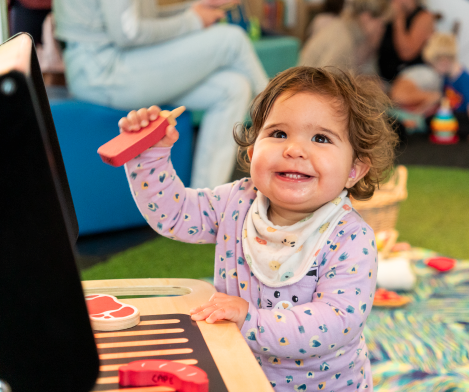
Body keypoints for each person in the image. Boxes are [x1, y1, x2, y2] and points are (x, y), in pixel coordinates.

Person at [118, 66, 398, 391]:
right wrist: (149, 154)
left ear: (354, 169)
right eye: (278, 134)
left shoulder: (350, 238)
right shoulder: (237, 201)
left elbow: (336, 322)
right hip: (239, 374)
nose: (294, 149)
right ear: (252, 152)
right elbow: (176, 214)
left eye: (321, 138)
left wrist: (250, 319)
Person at [53, 0, 268, 189]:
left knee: (233, 87)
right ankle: (280, 120)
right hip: (104, 73)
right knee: (231, 39)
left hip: (115, 67)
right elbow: (128, 33)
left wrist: (193, 9)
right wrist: (193, 20)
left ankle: (206, 206)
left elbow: (139, 19)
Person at [423, 32, 469, 143]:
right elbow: (440, 99)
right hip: (454, 114)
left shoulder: (466, 79)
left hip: (467, 118)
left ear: (444, 61)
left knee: (438, 123)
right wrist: (419, 113)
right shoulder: (446, 78)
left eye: (434, 65)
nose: (434, 70)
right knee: (429, 120)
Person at [300, 0, 389, 76]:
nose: (382, 29)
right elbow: (329, 81)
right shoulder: (343, 38)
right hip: (309, 86)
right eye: (381, 24)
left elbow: (371, 74)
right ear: (366, 17)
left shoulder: (355, 32)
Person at [377, 0, 434, 83]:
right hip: (382, 75)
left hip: (408, 77)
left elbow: (406, 53)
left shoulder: (424, 17)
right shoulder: (388, 12)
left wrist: (399, 17)